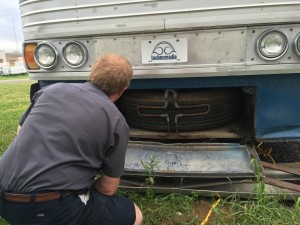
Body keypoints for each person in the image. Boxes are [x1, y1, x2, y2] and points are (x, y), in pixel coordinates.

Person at [0, 54, 143, 225]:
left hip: (3, 195)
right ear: (123, 90)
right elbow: (108, 188)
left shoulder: (50, 90)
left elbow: (21, 130)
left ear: (92, 74)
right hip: (47, 208)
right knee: (134, 214)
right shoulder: (117, 121)